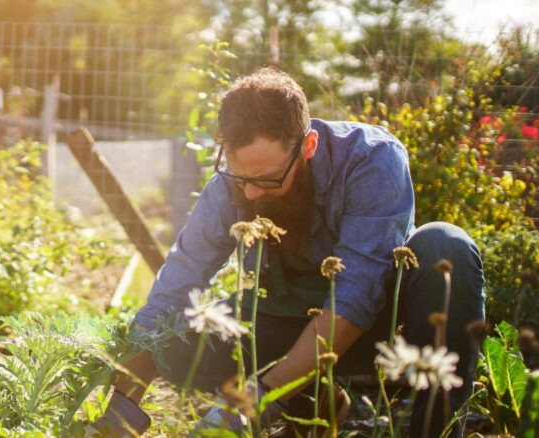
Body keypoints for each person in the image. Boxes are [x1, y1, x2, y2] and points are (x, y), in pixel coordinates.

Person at [90, 67, 485, 437]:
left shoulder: (371, 159)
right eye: (240, 176)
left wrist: (256, 399)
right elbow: (177, 283)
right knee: (174, 338)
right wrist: (122, 404)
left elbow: (356, 296)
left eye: (267, 179)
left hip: (380, 332)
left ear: (308, 145)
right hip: (287, 322)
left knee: (445, 245)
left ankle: (433, 425)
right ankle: (316, 401)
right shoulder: (233, 183)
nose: (250, 193)